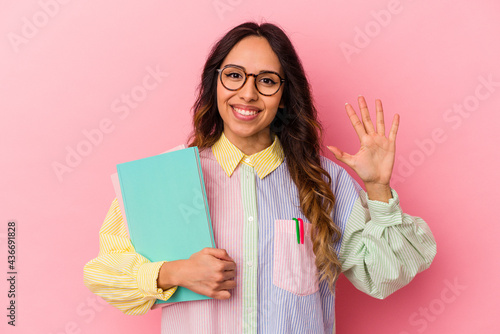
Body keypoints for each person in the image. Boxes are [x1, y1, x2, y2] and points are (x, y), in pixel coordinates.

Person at [83, 21, 437, 333]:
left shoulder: (324, 181)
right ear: (215, 83)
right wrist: (173, 273)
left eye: (266, 81)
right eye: (234, 75)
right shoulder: (165, 176)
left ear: (284, 96)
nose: (248, 93)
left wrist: (377, 188)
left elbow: (382, 275)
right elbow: (104, 272)